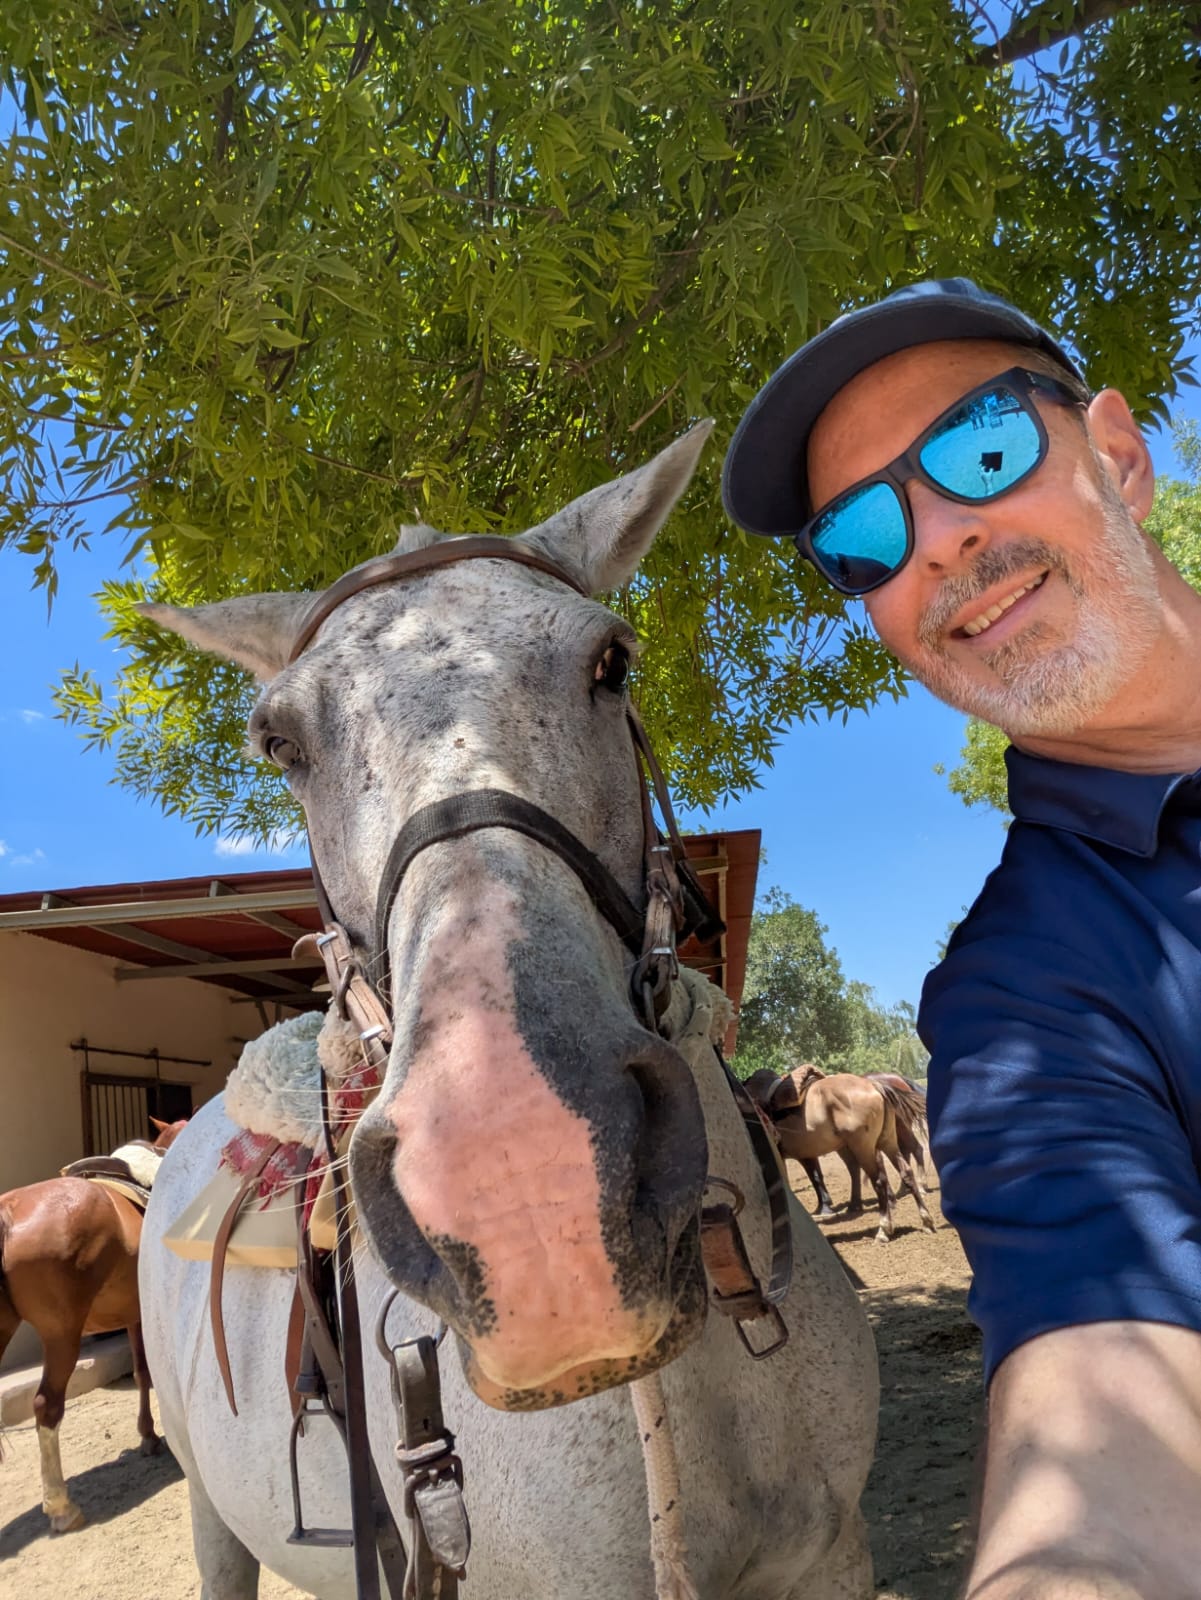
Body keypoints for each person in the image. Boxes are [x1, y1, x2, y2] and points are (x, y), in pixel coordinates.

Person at [722, 278, 1201, 1600]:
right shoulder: (1025, 999)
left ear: (1115, 453)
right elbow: (1101, 1453)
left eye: (982, 450)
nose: (933, 539)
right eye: (863, 538)